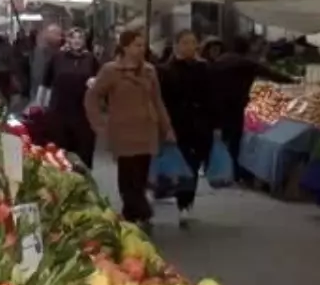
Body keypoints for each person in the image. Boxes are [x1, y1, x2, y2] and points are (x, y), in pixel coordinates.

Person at [84, 30, 175, 231]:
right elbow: (92, 97)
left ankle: (131, 215)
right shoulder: (110, 70)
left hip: (146, 129)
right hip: (123, 130)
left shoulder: (150, 71)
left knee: (141, 176)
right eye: (137, 45)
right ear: (125, 47)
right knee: (128, 175)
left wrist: (166, 127)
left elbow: (157, 101)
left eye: (143, 45)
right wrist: (99, 125)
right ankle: (143, 212)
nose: (141, 49)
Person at [212, 37, 295, 185]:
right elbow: (270, 74)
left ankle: (219, 173)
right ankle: (234, 174)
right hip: (236, 105)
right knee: (234, 140)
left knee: (223, 139)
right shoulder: (247, 63)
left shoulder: (220, 61)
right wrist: (292, 80)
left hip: (218, 105)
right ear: (247, 49)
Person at [159, 30, 213, 226]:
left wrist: (214, 125)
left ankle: (186, 202)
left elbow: (212, 98)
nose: (190, 46)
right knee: (180, 164)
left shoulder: (205, 69)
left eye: (193, 42)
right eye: (185, 42)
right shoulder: (166, 70)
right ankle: (180, 199)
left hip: (200, 125)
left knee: (193, 165)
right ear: (176, 45)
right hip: (176, 124)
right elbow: (161, 100)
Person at [41, 27, 100, 168]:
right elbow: (45, 83)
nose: (76, 41)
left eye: (80, 38)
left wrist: (95, 81)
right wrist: (41, 107)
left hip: (82, 113)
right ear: (67, 39)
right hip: (59, 111)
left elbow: (101, 80)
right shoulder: (57, 58)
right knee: (60, 150)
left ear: (84, 41)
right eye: (73, 37)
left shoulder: (90, 59)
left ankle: (83, 181)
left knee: (84, 150)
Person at [31, 23, 64, 103]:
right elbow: (38, 75)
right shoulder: (41, 51)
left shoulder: (61, 51)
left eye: (60, 35)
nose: (60, 38)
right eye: (57, 35)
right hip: (45, 91)